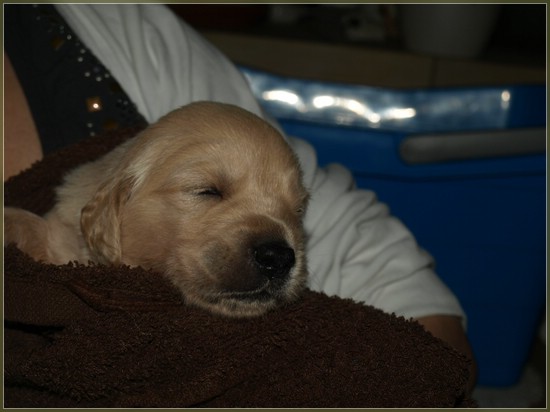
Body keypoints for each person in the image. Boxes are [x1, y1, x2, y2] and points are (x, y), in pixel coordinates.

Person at [4, 3, 476, 391]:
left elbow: (380, 272)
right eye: (208, 191)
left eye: (295, 211)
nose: (278, 246)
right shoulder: (64, 220)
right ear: (109, 208)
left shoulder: (117, 26)